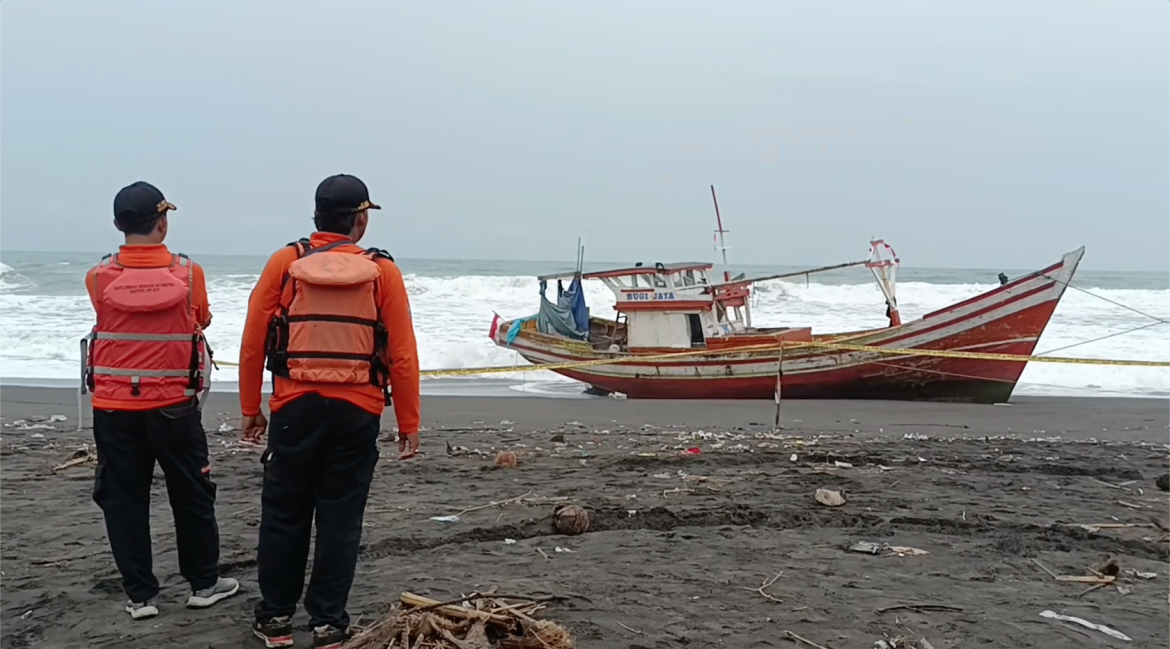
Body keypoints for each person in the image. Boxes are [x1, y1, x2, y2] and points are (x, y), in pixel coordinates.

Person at [238, 174, 421, 649]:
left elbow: (254, 341)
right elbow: (401, 353)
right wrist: (408, 422)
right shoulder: (383, 271)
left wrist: (249, 408)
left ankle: (276, 620)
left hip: (294, 407)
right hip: (357, 411)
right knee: (340, 519)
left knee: (283, 514)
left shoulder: (286, 261)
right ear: (360, 220)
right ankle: (328, 625)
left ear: (317, 216)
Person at [85, 181, 239, 620]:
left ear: (118, 224)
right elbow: (202, 317)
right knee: (191, 493)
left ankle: (140, 596)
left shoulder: (97, 276)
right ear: (163, 221)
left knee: (123, 499)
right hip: (175, 406)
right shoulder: (190, 274)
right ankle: (204, 584)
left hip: (114, 406)